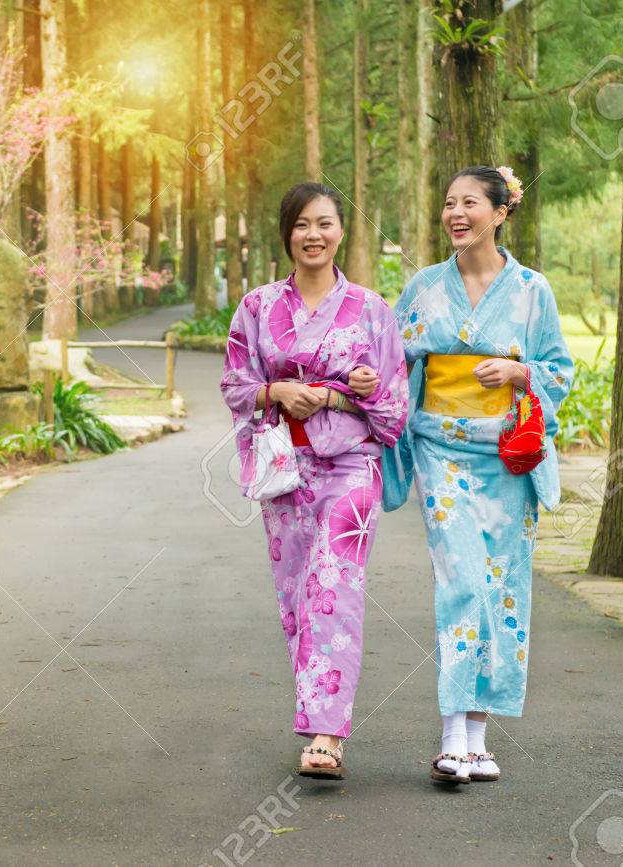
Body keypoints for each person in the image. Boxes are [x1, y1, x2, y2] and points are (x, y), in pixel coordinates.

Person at [381, 165, 573, 784]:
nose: (455, 213)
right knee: (462, 578)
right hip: (442, 452)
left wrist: (519, 374)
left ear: (500, 212)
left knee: (505, 587)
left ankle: (481, 737)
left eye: (469, 203)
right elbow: (390, 358)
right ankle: (451, 737)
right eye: (448, 203)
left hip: (508, 458)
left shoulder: (531, 289)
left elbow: (559, 371)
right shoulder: (425, 287)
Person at [220, 182, 409, 780]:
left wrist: (343, 393)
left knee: (335, 585)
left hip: (352, 470)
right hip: (285, 470)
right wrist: (276, 390)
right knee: (297, 595)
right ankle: (317, 716)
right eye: (302, 224)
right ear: (287, 234)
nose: (313, 235)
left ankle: (327, 735)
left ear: (341, 232)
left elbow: (394, 407)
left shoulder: (374, 311)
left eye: (324, 223)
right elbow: (234, 384)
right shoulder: (255, 308)